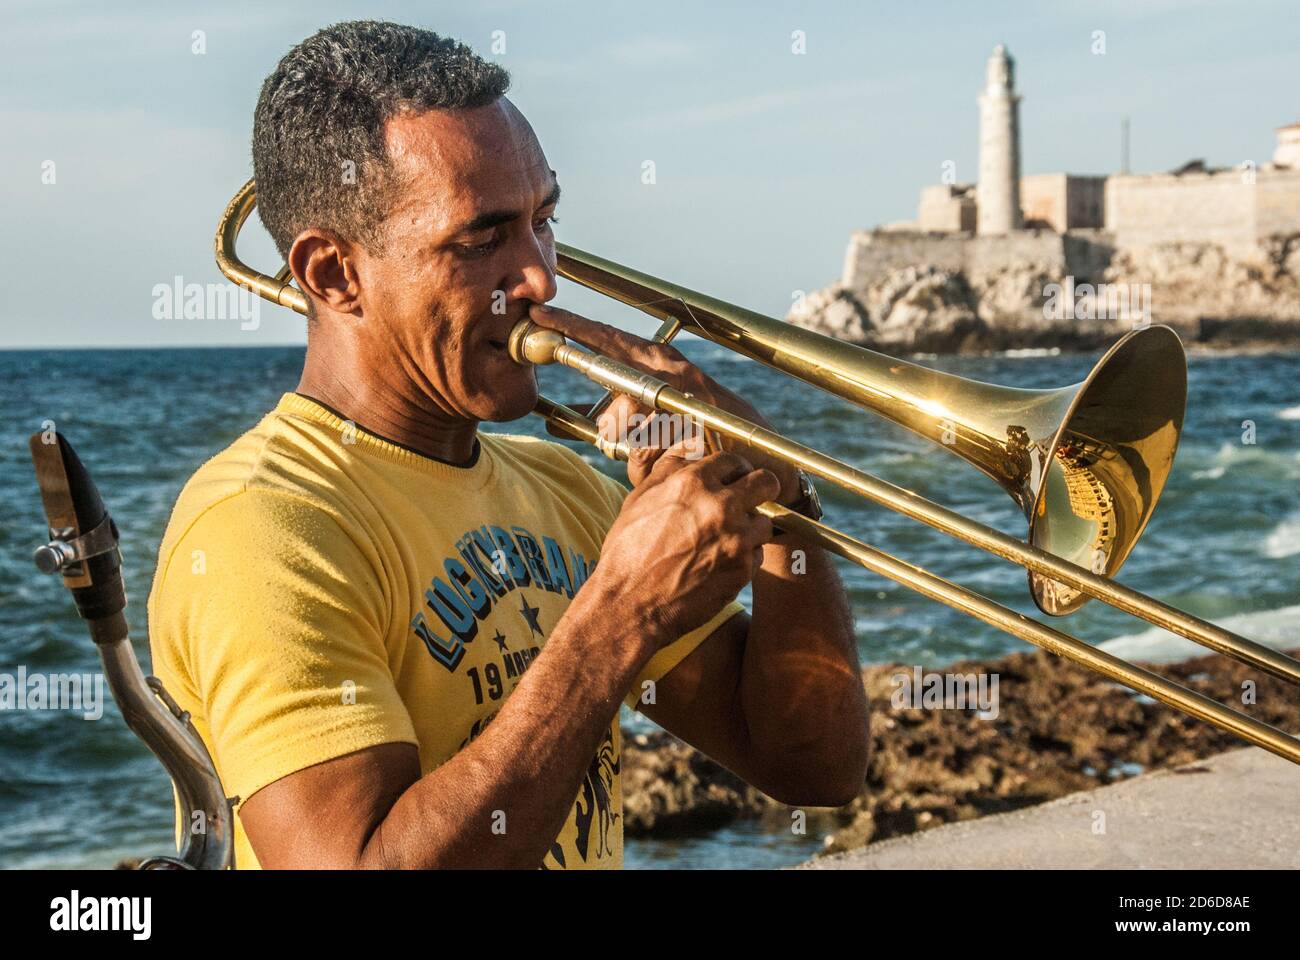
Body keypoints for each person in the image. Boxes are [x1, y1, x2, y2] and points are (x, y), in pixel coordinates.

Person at [148, 19, 868, 869]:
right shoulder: (263, 529)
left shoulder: (566, 490)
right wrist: (618, 618)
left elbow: (810, 765)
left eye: (543, 219)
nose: (540, 277)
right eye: (481, 238)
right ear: (334, 275)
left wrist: (778, 497)